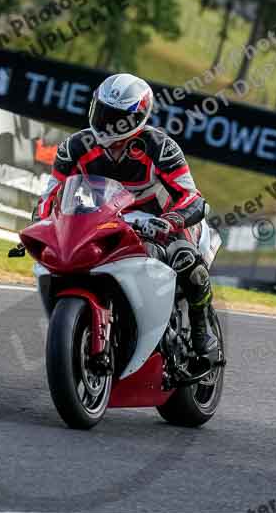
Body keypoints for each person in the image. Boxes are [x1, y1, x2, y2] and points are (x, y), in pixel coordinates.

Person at [35, 73, 218, 357]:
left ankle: (200, 330)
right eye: (103, 112)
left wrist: (170, 222)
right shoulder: (75, 147)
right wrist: (40, 225)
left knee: (186, 259)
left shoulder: (160, 147)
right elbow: (50, 195)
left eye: (116, 117)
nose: (106, 124)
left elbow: (192, 197)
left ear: (137, 117)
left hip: (161, 224)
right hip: (104, 223)